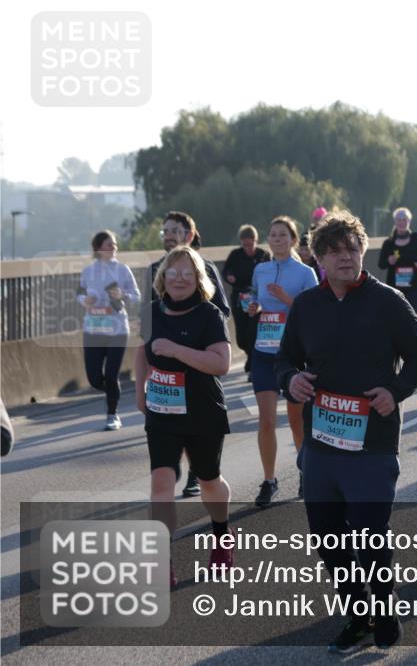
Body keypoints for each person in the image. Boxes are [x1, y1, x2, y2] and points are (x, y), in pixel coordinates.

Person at [274, 210, 417, 653]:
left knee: (369, 535)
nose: (345, 257)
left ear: (364, 252)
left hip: (373, 444)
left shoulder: (388, 302)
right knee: (328, 540)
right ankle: (357, 614)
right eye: (334, 250)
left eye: (352, 248)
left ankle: (384, 611)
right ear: (319, 258)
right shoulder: (306, 306)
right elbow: (283, 360)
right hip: (321, 445)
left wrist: (395, 391)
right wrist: (291, 380)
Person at [135, 246, 234, 584]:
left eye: (186, 274)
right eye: (172, 273)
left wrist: (177, 350)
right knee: (161, 483)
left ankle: (221, 536)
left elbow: (220, 363)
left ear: (198, 280)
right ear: (163, 277)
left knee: (209, 481)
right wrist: (140, 392)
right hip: (162, 411)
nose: (178, 280)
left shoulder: (209, 315)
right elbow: (142, 351)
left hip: (203, 410)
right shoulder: (151, 312)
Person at [247, 216, 319, 507]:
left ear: (293, 240)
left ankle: (305, 472)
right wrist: (253, 306)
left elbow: (314, 311)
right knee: (265, 421)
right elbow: (253, 297)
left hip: (293, 354)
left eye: (283, 235)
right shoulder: (261, 270)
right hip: (264, 351)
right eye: (273, 235)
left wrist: (288, 300)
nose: (277, 239)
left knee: (296, 422)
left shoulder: (305, 273)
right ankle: (269, 479)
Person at [78, 230, 141, 430]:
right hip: (94, 328)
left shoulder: (123, 270)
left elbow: (136, 295)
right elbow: (79, 293)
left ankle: (112, 414)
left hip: (117, 329)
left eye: (114, 244)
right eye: (108, 244)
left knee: (112, 375)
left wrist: (122, 295)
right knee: (95, 378)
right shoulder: (88, 271)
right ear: (98, 248)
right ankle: (113, 391)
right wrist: (85, 300)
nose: (113, 247)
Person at [222, 225, 271, 377]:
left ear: (256, 241)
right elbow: (225, 271)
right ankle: (250, 357)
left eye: (251, 244)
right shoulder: (235, 255)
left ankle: (253, 363)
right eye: (245, 245)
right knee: (242, 337)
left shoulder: (264, 255)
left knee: (253, 332)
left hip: (257, 298)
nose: (248, 248)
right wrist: (229, 277)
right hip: (239, 298)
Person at [378, 207, 417, 313]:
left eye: (404, 219)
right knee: (397, 319)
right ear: (395, 222)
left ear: (409, 221)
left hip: (415, 288)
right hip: (395, 289)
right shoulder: (389, 243)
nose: (401, 222)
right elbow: (381, 264)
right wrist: (389, 261)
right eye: (399, 219)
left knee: (411, 317)